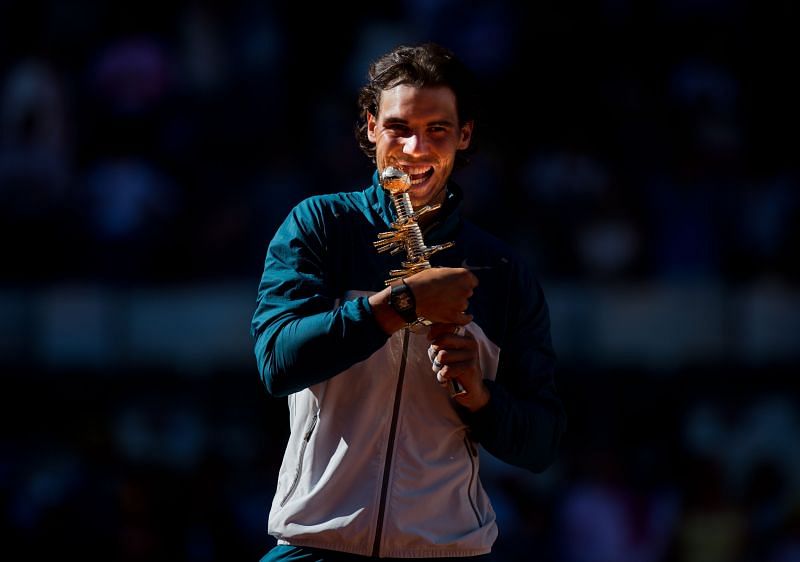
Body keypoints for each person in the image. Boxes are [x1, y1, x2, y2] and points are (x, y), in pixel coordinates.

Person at [251, 42, 566, 561]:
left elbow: (541, 443)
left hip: (447, 549)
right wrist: (397, 305)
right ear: (371, 126)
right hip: (315, 542)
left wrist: (480, 400)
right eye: (399, 127)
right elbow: (278, 362)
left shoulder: (502, 270)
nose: (416, 148)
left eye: (437, 129)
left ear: (464, 136)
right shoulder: (322, 226)